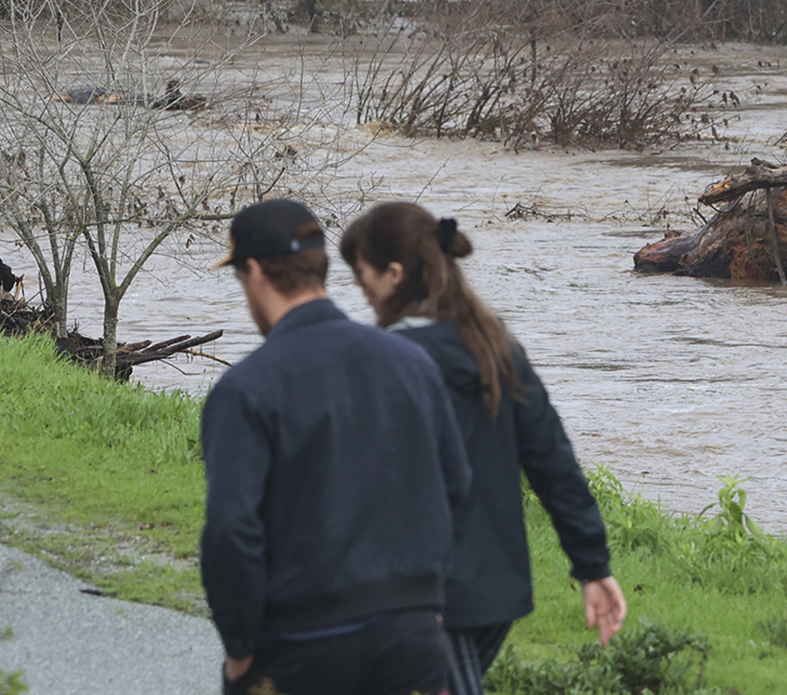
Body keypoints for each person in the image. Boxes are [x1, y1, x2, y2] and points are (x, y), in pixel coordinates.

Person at [339, 201, 627, 695]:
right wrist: (593, 566)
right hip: (495, 591)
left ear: (393, 274)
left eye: (360, 272)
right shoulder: (495, 347)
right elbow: (553, 462)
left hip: (423, 595)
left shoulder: (387, 361)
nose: (358, 286)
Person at [201, 198, 471, 695]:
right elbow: (454, 486)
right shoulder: (411, 363)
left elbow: (230, 533)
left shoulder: (247, 389)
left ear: (254, 272)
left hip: (302, 642)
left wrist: (240, 648)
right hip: (412, 640)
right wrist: (424, 607)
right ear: (320, 266)